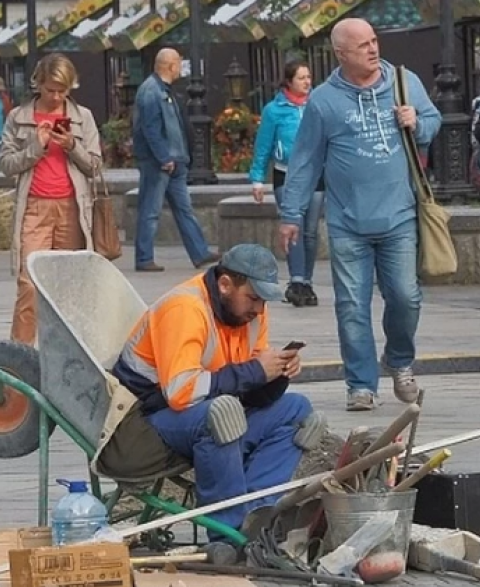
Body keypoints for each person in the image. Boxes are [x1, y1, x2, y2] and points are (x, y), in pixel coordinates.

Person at [277, 18, 442, 411]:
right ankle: (361, 384)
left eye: (374, 41)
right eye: (362, 45)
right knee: (351, 306)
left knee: (406, 297)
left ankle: (399, 361)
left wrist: (417, 122)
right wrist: (290, 214)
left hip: (399, 216)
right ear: (341, 54)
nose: (372, 49)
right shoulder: (323, 100)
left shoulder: (404, 82)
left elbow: (434, 121)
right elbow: (304, 162)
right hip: (347, 222)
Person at [112, 243, 327, 537]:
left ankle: (256, 517)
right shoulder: (185, 308)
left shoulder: (249, 313)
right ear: (225, 284)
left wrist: (276, 374)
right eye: (253, 298)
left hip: (200, 414)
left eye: (264, 300)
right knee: (222, 412)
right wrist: (255, 371)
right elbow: (180, 393)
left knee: (299, 411)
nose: (259, 309)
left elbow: (249, 390)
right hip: (143, 426)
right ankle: (226, 534)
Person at [0, 54, 101, 345]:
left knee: (67, 289)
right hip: (34, 207)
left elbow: (95, 167)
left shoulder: (84, 118)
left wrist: (72, 146)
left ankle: (67, 356)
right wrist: (36, 146)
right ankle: (19, 358)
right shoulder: (19, 117)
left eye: (62, 90)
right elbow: (6, 165)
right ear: (38, 85)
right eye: (50, 89)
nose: (56, 97)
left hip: (72, 208)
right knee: (29, 286)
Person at [132, 48, 220, 272]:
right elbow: (150, 128)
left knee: (185, 209)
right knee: (150, 210)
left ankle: (200, 252)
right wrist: (164, 156)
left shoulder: (165, 91)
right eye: (179, 63)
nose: (181, 68)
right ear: (170, 66)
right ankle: (144, 258)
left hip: (175, 160)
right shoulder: (151, 91)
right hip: (160, 162)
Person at [249, 59, 325, 307]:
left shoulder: (318, 105)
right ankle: (296, 280)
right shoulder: (274, 110)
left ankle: (308, 282)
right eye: (301, 78)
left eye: (309, 77)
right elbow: (263, 146)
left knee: (311, 231)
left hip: (316, 173)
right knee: (295, 228)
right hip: (287, 174)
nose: (307, 82)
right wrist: (257, 179)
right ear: (289, 81)